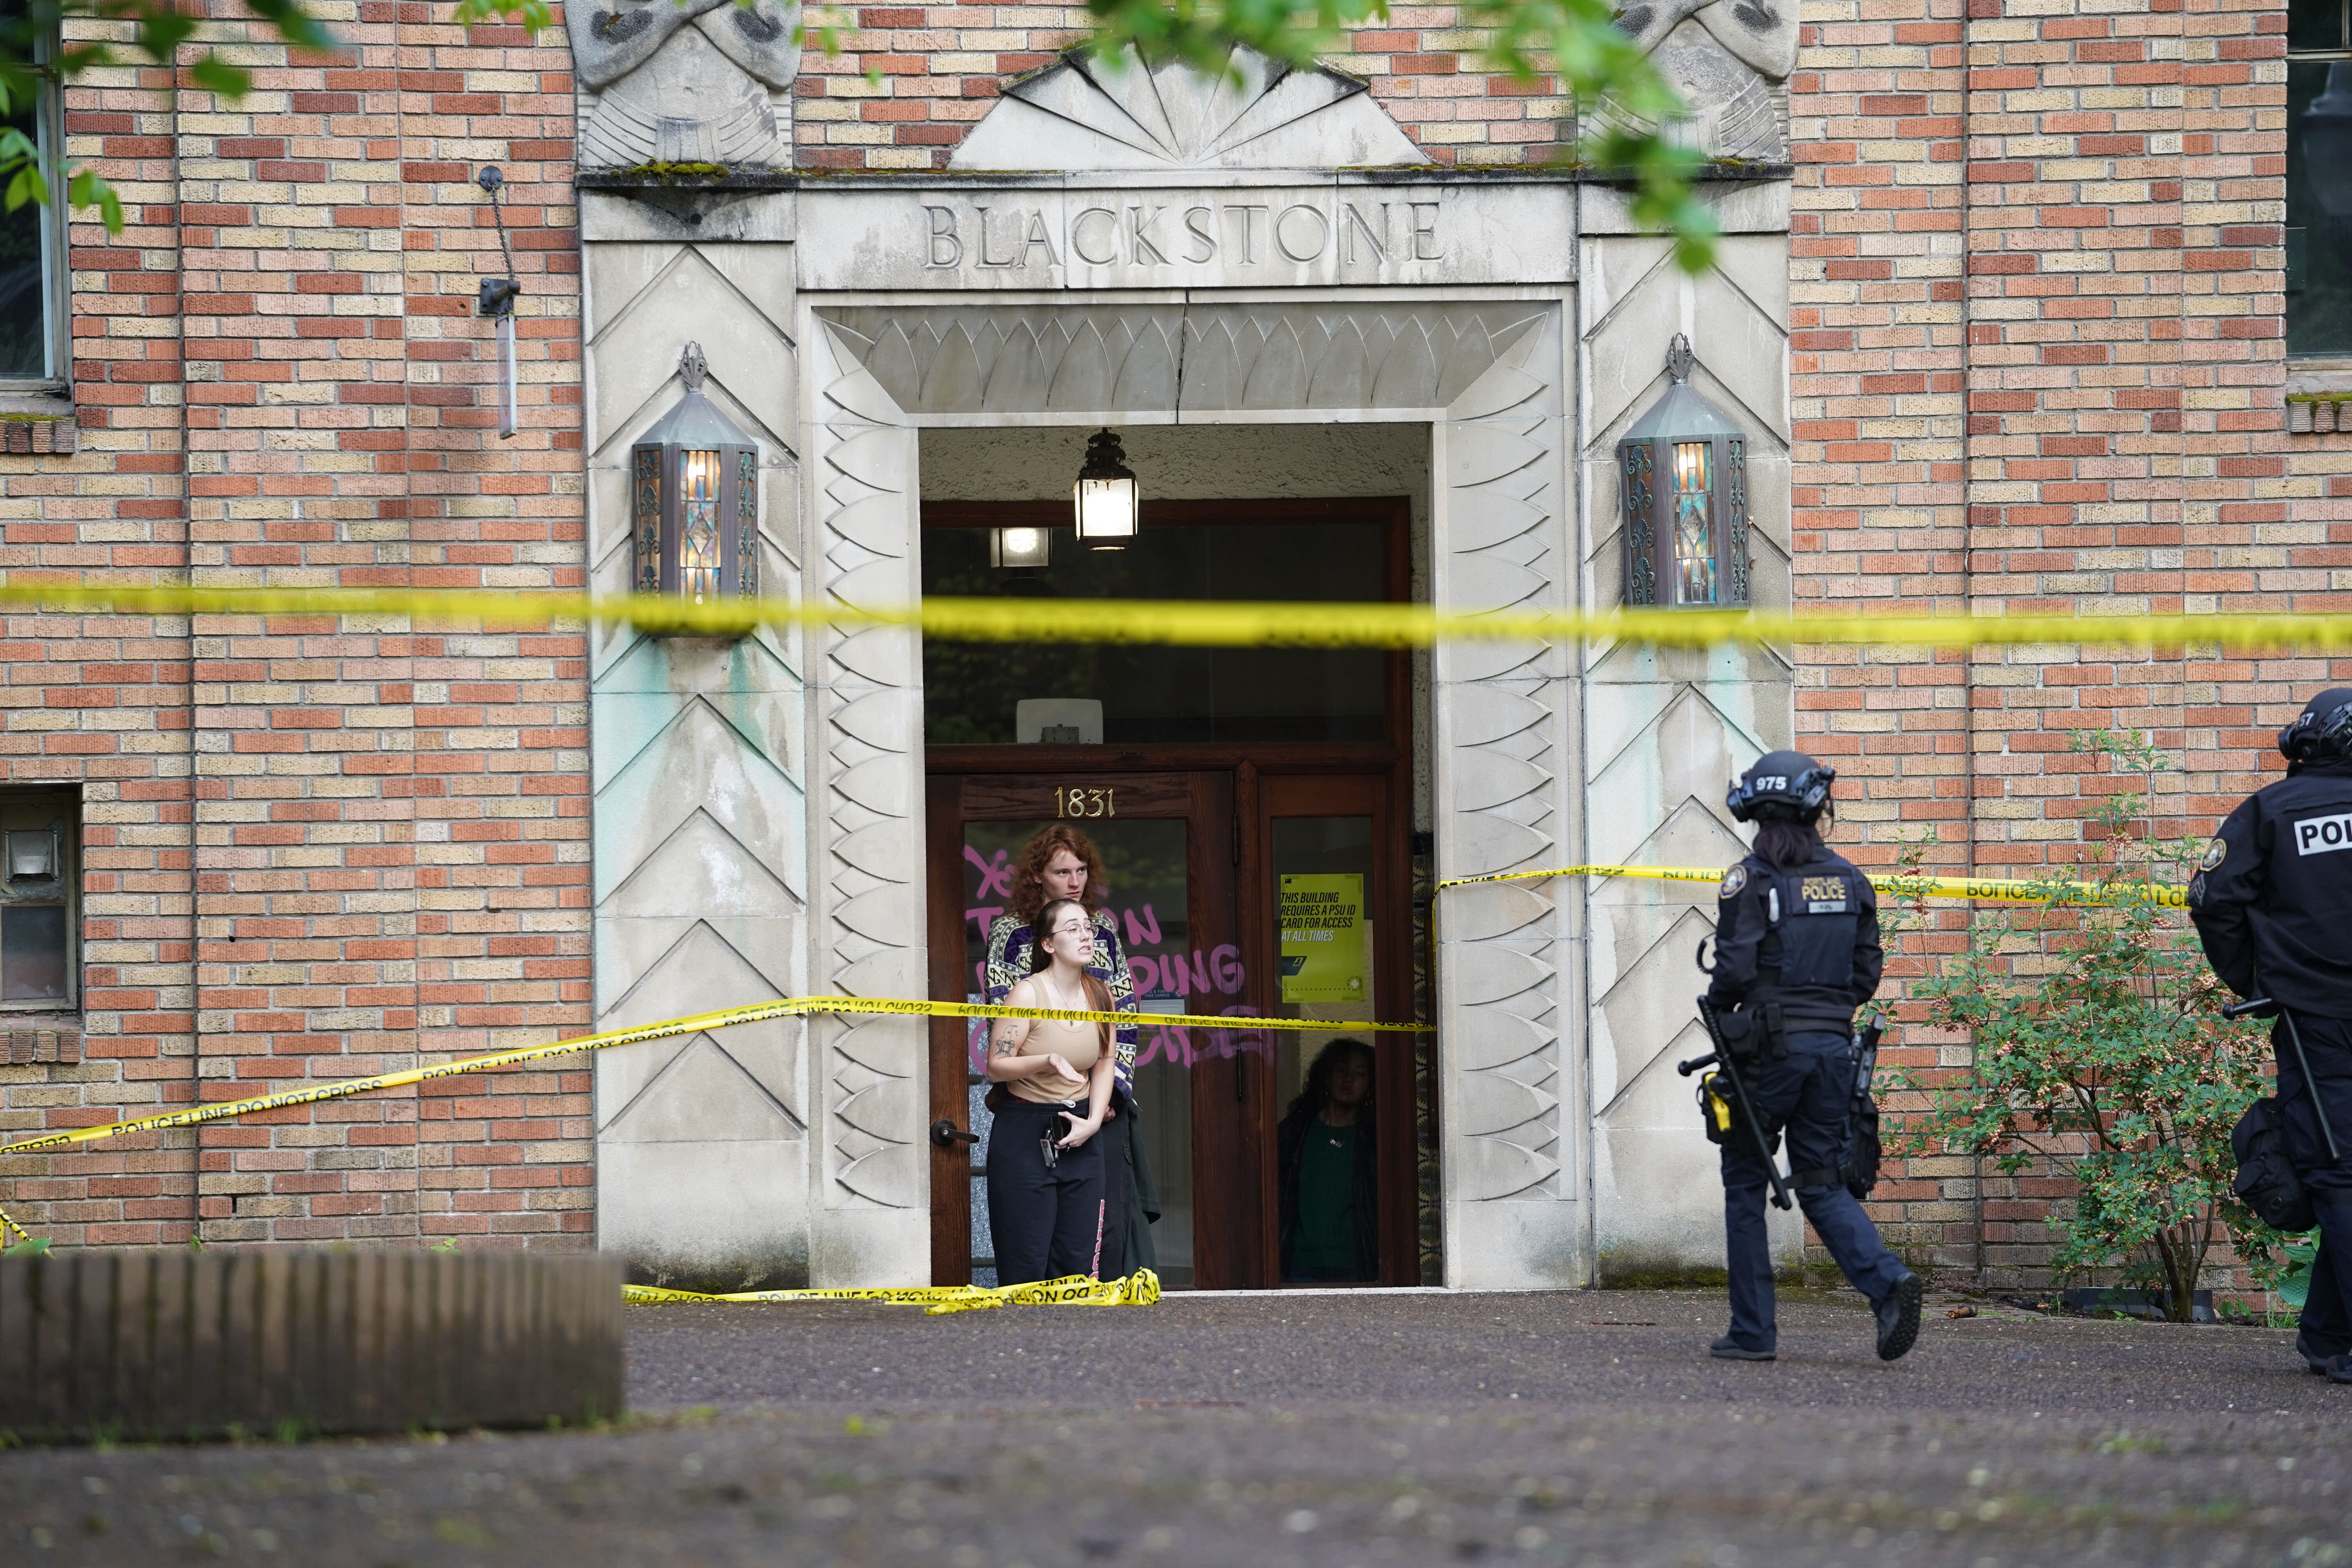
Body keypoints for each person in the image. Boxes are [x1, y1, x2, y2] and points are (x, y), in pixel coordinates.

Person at [1704, 750, 1922, 1363]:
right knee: (1823, 1183)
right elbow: (1866, 973)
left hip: (1768, 1055)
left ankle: (1753, 1333)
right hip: (1834, 1051)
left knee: (1746, 1181)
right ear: (1815, 806)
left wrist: (1729, 1007)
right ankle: (1887, 1284)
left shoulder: (1750, 879)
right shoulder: (1852, 880)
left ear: (1753, 809)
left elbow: (1733, 972)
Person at [2189, 687, 2352, 1385]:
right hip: (2316, 1015)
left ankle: (2328, 1336)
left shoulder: (2272, 811)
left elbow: (2213, 899)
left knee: (2340, 1173)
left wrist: (2254, 980)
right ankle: (2326, 1338)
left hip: (2314, 1018)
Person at [984, 826, 1146, 1273]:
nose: (1075, 880)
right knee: (1027, 1247)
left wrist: (1112, 1094)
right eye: (1062, 871)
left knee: (1091, 1242)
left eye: (1081, 870)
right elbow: (1002, 1026)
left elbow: (1122, 1023)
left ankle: (1080, 1340)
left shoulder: (1104, 932)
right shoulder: (1010, 934)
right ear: (1038, 876)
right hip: (1029, 1106)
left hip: (1092, 1104)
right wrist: (1049, 1063)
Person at [985, 897, 1118, 1284]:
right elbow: (997, 1066)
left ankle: (1070, 1345)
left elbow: (1105, 1061)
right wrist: (1047, 1059)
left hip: (1079, 1130)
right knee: (1025, 1262)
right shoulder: (1028, 993)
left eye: (1088, 928)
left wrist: (1093, 1121)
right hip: (1025, 1131)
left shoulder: (1101, 995)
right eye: (1072, 928)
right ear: (1048, 944)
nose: (1085, 936)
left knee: (1076, 1264)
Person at [1277, 1037, 1379, 1283]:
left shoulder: (1375, 1138)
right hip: (1298, 1263)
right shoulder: (1295, 1132)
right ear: (1327, 1075)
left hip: (1355, 1264)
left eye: (1360, 1074)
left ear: (1370, 1085)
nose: (1349, 1079)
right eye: (1342, 1070)